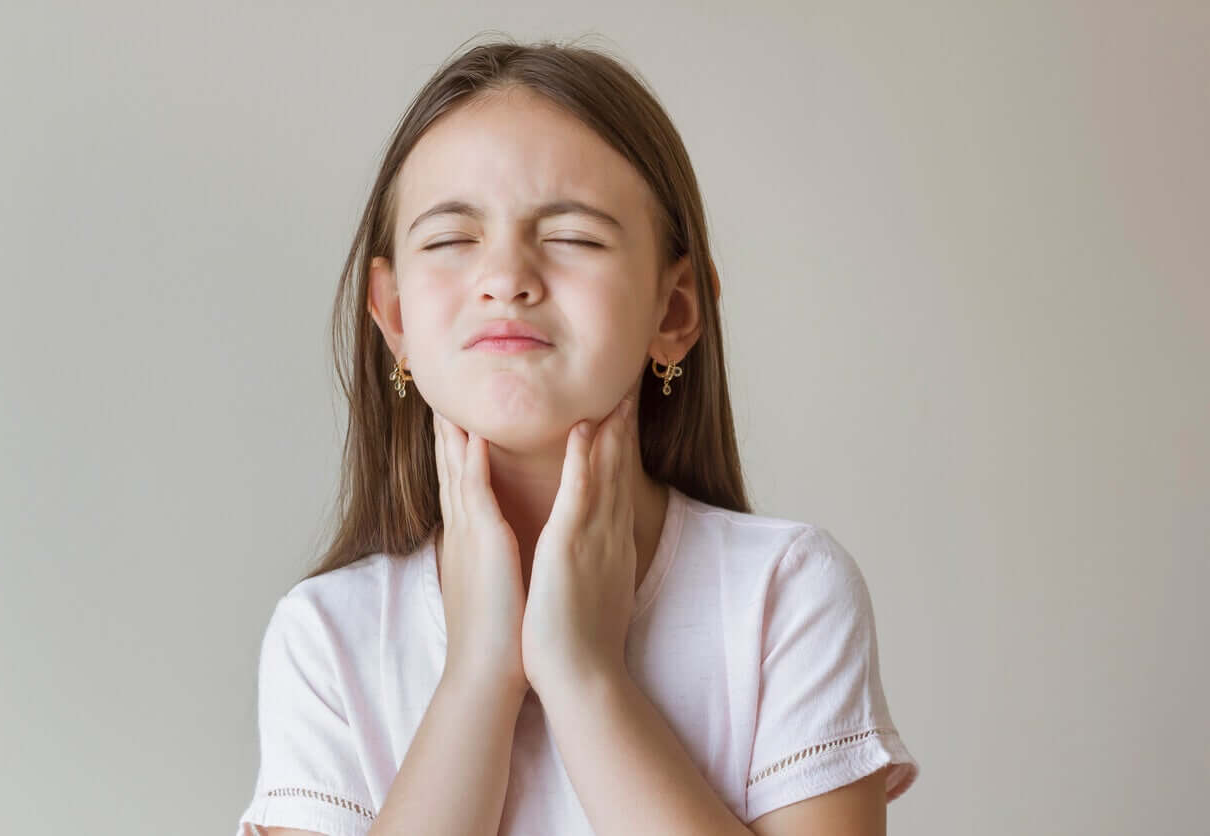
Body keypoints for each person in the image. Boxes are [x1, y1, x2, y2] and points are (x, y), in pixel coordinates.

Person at [235, 35, 919, 836]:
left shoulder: (787, 594)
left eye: (573, 237)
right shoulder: (325, 639)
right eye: (454, 239)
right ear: (393, 319)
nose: (506, 277)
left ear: (675, 311)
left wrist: (586, 677)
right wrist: (477, 678)